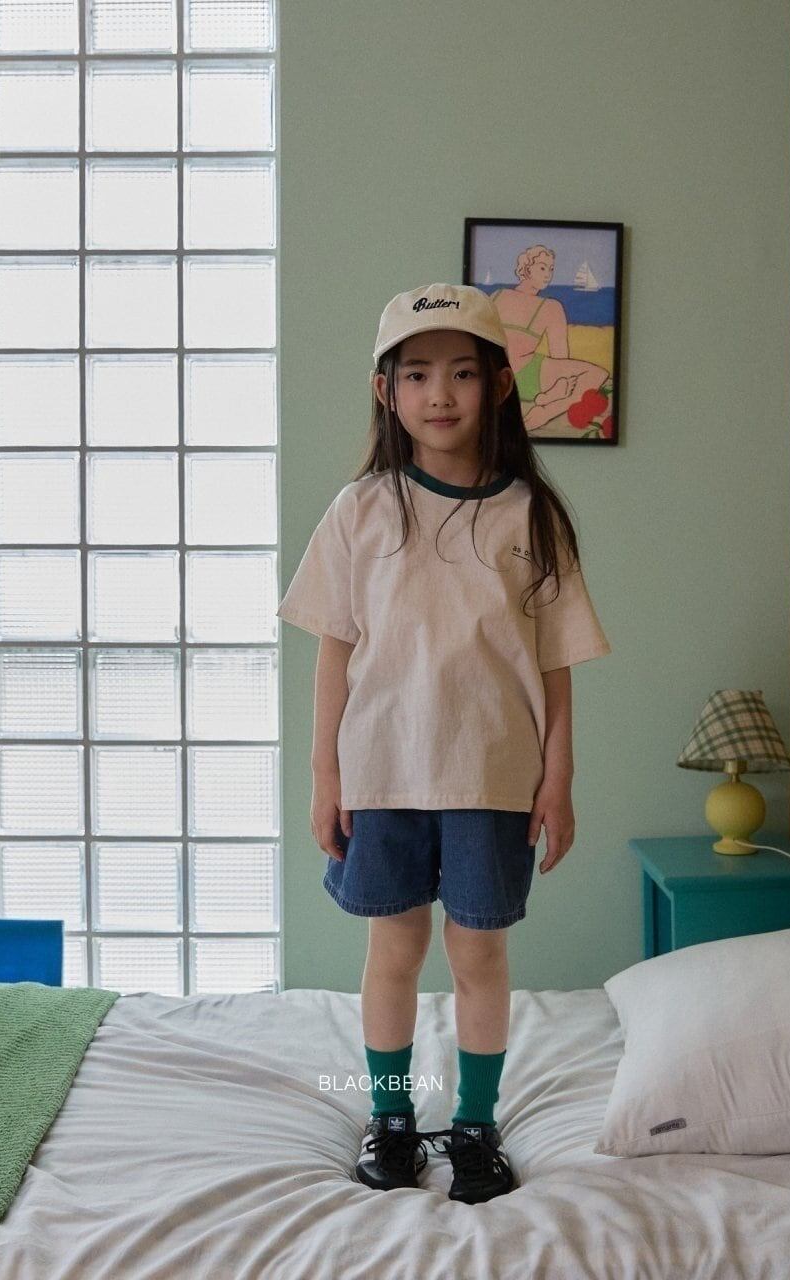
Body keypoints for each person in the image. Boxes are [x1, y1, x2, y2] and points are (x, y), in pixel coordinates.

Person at [276, 282, 612, 1204]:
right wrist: (324, 777)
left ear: (498, 386)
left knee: (479, 957)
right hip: (382, 773)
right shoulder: (361, 510)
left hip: (494, 779)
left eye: (462, 373)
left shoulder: (532, 515)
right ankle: (390, 1120)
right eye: (418, 374)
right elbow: (334, 653)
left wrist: (558, 779)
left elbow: (556, 664)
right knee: (393, 948)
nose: (440, 394)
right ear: (386, 391)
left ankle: (474, 1125)